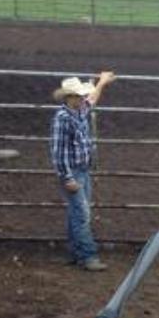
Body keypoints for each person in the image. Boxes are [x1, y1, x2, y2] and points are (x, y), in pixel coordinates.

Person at [49, 71, 117, 271]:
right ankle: (88, 256)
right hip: (73, 172)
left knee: (77, 212)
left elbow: (92, 99)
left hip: (81, 170)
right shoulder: (63, 118)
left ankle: (76, 252)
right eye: (78, 96)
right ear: (69, 97)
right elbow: (58, 152)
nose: (82, 99)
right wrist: (67, 177)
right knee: (81, 213)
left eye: (81, 96)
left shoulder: (77, 111)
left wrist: (102, 82)